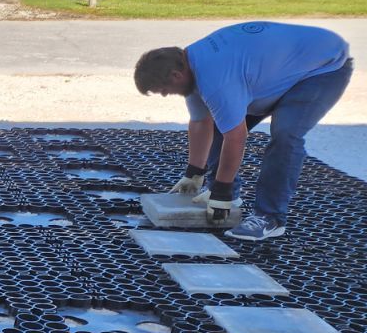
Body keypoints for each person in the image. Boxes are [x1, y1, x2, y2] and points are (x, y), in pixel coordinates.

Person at [134, 22, 353, 240]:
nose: (164, 95)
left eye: (163, 90)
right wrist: (194, 173)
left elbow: (236, 137)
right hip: (280, 70)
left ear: (175, 76)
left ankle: (270, 218)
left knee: (286, 135)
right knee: (222, 120)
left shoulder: (215, 80)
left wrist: (222, 190)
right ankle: (230, 197)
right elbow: (201, 122)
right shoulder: (190, 64)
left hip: (323, 68)